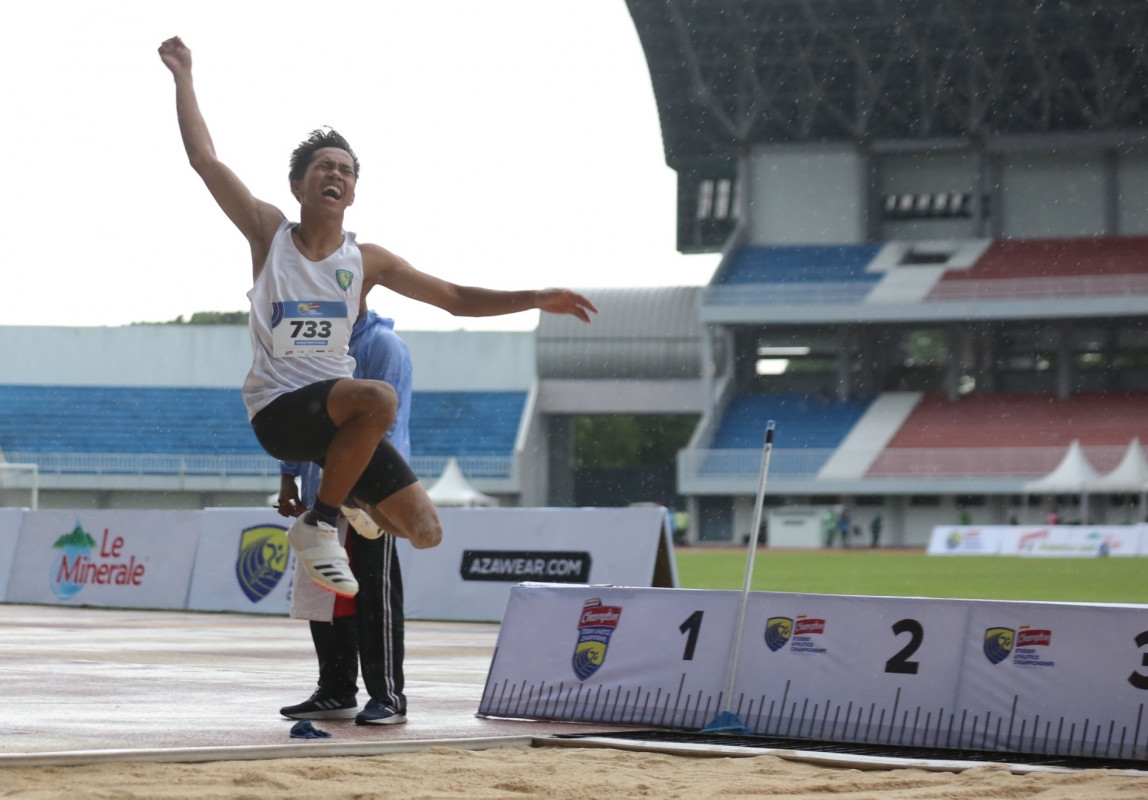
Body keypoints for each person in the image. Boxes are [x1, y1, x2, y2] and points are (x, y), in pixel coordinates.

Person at [158, 37, 597, 599]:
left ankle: (354, 503)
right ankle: (319, 524)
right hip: (280, 410)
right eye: (323, 167)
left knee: (424, 530)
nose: (335, 174)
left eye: (345, 169)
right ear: (299, 184)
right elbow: (205, 160)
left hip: (339, 418)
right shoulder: (269, 233)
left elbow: (456, 298)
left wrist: (535, 296)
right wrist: (184, 76)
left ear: (353, 192)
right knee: (381, 399)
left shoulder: (367, 261)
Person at [277, 309, 412, 726]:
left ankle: (388, 695)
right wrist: (288, 475)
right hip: (325, 490)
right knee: (326, 593)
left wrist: (364, 485)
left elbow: (387, 423)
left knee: (375, 596)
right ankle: (336, 689)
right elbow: (299, 414)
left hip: (373, 493)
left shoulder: (382, 346)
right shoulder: (315, 344)